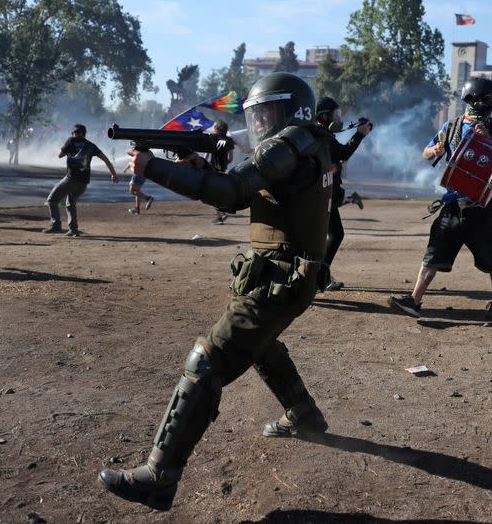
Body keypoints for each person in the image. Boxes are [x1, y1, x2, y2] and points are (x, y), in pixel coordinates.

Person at [98, 72, 331, 511]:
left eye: (266, 114)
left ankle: (159, 476)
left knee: (207, 359)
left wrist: (153, 167)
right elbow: (239, 195)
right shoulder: (304, 141)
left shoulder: (290, 143)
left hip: (280, 279)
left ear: (292, 109)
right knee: (260, 344)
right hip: (286, 277)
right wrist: (201, 169)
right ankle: (304, 414)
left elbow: (228, 191)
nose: (260, 124)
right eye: (255, 116)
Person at [388, 77, 492, 321]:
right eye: (487, 100)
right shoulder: (451, 127)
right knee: (434, 252)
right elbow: (425, 152)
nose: (491, 105)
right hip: (453, 203)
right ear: (472, 100)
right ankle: (414, 300)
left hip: (482, 205)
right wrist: (434, 151)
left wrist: (486, 138)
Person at [314, 96, 372, 290]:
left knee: (330, 234)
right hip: (321, 194)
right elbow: (343, 153)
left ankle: (320, 275)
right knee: (334, 234)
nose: (337, 118)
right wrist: (360, 134)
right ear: (323, 116)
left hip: (321, 193)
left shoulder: (319, 133)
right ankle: (319, 276)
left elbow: (338, 153)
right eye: (334, 114)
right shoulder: (321, 134)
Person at [43, 124, 119, 235]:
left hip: (71, 179)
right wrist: (114, 174)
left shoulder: (71, 140)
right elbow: (106, 160)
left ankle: (56, 225)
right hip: (83, 182)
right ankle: (73, 230)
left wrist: (69, 150)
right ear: (84, 134)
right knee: (70, 202)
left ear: (74, 133)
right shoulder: (91, 145)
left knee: (52, 200)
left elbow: (60, 155)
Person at [207, 120, 235, 224]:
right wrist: (224, 165)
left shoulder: (212, 138)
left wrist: (206, 163)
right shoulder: (230, 140)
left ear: (217, 129)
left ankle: (221, 214)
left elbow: (207, 153)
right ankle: (220, 214)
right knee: (218, 190)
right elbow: (231, 158)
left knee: (212, 192)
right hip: (222, 169)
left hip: (212, 168)